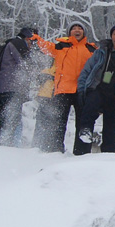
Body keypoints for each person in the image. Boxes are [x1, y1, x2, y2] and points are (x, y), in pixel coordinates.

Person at [75, 24, 115, 155]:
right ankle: (84, 138)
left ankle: (108, 156)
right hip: (98, 89)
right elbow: (87, 70)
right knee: (88, 111)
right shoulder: (101, 52)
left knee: (111, 127)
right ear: (111, 36)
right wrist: (82, 90)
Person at [31, 23, 97, 153]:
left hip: (82, 91)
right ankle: (55, 151)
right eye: (73, 28)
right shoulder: (61, 46)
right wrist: (35, 38)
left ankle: (82, 153)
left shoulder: (91, 50)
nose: (77, 30)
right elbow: (46, 46)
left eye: (80, 28)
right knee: (58, 122)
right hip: (63, 90)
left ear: (84, 32)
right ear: (69, 32)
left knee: (83, 123)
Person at [0, 27, 37, 147]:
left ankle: (7, 145)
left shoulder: (13, 43)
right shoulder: (18, 43)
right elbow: (26, 64)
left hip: (7, 87)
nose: (32, 44)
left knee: (10, 117)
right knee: (10, 119)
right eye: (32, 40)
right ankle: (4, 145)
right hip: (11, 87)